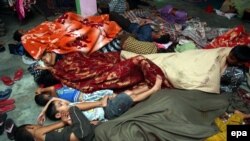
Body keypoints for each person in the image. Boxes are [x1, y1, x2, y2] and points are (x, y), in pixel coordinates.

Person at [37, 75, 162, 124]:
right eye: (60, 104)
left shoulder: (70, 107)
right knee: (130, 97)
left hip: (105, 106)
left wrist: (44, 111)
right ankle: (153, 90)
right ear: (59, 114)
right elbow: (85, 124)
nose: (62, 101)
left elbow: (53, 98)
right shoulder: (70, 117)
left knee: (128, 93)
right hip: (108, 111)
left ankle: (147, 87)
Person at [14, 106, 96, 141]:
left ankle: (89, 126)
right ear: (29, 127)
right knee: (72, 108)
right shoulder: (37, 132)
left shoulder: (44, 136)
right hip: (81, 134)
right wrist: (63, 120)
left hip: (81, 136)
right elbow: (62, 123)